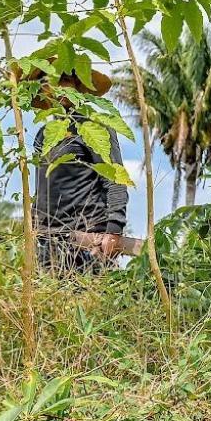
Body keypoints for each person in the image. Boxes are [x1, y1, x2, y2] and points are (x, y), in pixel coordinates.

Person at [19, 62, 131, 273]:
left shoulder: (94, 128)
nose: (59, 87)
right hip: (48, 240)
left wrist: (114, 229)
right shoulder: (44, 134)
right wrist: (33, 224)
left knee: (87, 303)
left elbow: (116, 179)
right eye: (50, 82)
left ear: (78, 87)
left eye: (65, 80)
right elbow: (41, 187)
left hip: (87, 240)